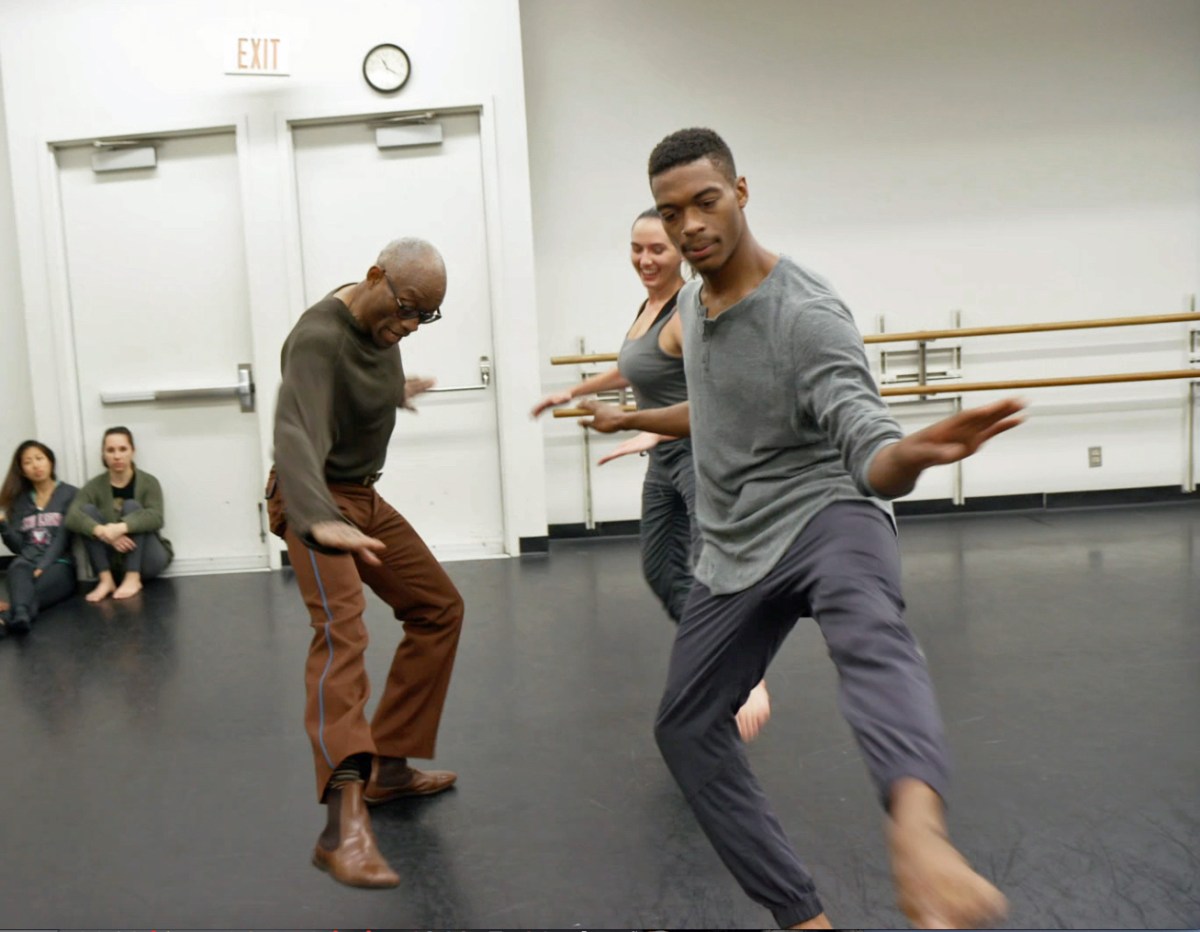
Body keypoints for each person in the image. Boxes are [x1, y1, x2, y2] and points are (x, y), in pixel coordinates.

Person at [579, 128, 1018, 929]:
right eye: (673, 214)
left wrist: (907, 456)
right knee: (685, 728)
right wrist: (633, 418)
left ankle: (920, 836)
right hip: (739, 538)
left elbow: (866, 443)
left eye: (705, 202)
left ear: (740, 192)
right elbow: (715, 404)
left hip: (829, 509)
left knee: (870, 632)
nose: (690, 227)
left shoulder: (806, 314)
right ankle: (801, 917)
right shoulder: (691, 302)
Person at [267, 237, 464, 890]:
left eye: (422, 319)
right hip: (313, 497)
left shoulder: (383, 328)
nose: (408, 327)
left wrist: (396, 391)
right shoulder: (317, 337)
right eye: (408, 309)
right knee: (343, 631)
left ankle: (390, 769)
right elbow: (295, 427)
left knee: (438, 607)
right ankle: (342, 828)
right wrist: (317, 518)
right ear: (376, 276)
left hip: (360, 496)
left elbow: (363, 381)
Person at [532, 208, 770, 741]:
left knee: (717, 570)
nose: (645, 259)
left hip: (698, 459)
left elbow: (716, 393)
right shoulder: (650, 307)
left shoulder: (688, 311)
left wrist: (647, 429)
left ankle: (747, 674)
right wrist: (572, 391)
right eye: (637, 248)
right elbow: (635, 364)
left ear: (680, 252)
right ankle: (717, 661)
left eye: (657, 249)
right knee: (663, 571)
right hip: (664, 461)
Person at [67, 427, 173, 601]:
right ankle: (106, 580)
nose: (117, 456)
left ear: (132, 451)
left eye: (123, 449)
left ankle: (133, 577)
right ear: (104, 454)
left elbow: (156, 517)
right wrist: (104, 532)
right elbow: (72, 516)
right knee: (86, 512)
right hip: (114, 562)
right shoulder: (94, 485)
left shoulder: (149, 482)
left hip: (148, 559)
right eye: (110, 450)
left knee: (132, 506)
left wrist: (119, 528)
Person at [0, 440, 78, 638]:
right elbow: (19, 547)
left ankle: (7, 618)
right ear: (23, 471)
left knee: (28, 595)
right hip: (25, 564)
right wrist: (4, 526)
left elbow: (63, 537)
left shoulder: (70, 494)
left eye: (39, 458)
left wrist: (42, 565)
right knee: (17, 566)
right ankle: (19, 617)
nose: (35, 465)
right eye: (28, 462)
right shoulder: (20, 501)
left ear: (50, 461)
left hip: (59, 565)